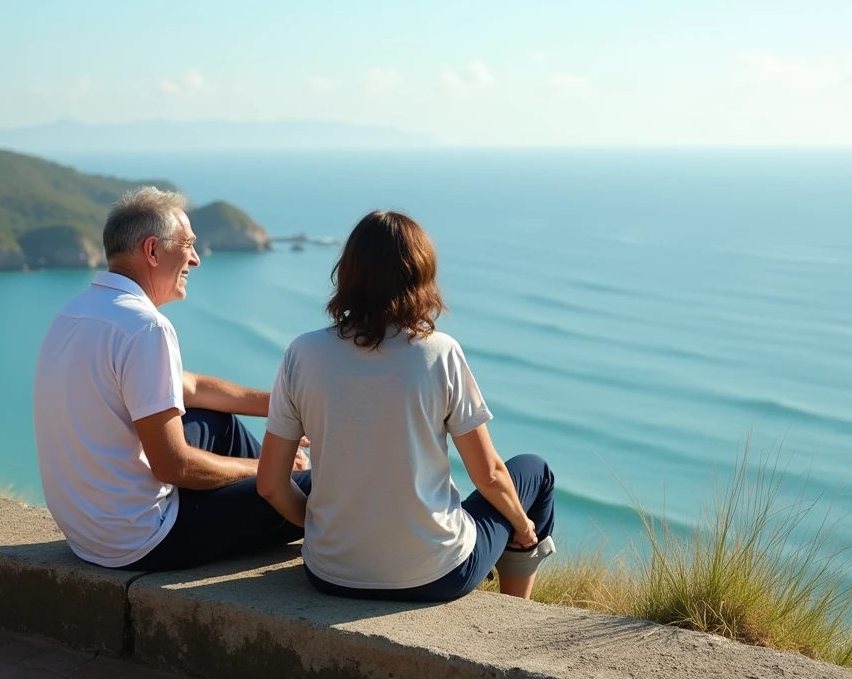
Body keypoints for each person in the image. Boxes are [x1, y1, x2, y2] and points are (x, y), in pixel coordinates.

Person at [256, 211, 556, 601]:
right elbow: (489, 475)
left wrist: (321, 532)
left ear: (347, 273)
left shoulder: (302, 353)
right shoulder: (439, 353)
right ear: (421, 277)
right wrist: (523, 525)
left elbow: (270, 485)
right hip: (437, 575)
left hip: (330, 575)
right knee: (535, 471)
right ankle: (515, 611)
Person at [33, 186, 310, 571]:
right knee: (319, 487)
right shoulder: (146, 327)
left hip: (87, 534)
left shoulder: (76, 311)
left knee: (217, 421)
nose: (195, 259)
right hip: (144, 538)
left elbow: (191, 387)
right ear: (152, 250)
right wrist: (270, 468)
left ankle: (273, 486)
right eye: (188, 245)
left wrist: (290, 407)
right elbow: (173, 467)